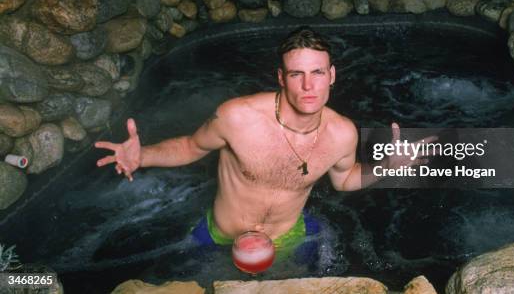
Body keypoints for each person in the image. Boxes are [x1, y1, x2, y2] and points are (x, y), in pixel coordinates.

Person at [95, 26, 430, 249]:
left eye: (317, 73)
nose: (308, 86)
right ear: (281, 78)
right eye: (297, 74)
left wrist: (386, 167)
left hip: (287, 239)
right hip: (221, 238)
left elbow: (344, 180)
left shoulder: (342, 133)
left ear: (332, 76)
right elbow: (190, 146)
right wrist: (144, 156)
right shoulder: (237, 117)